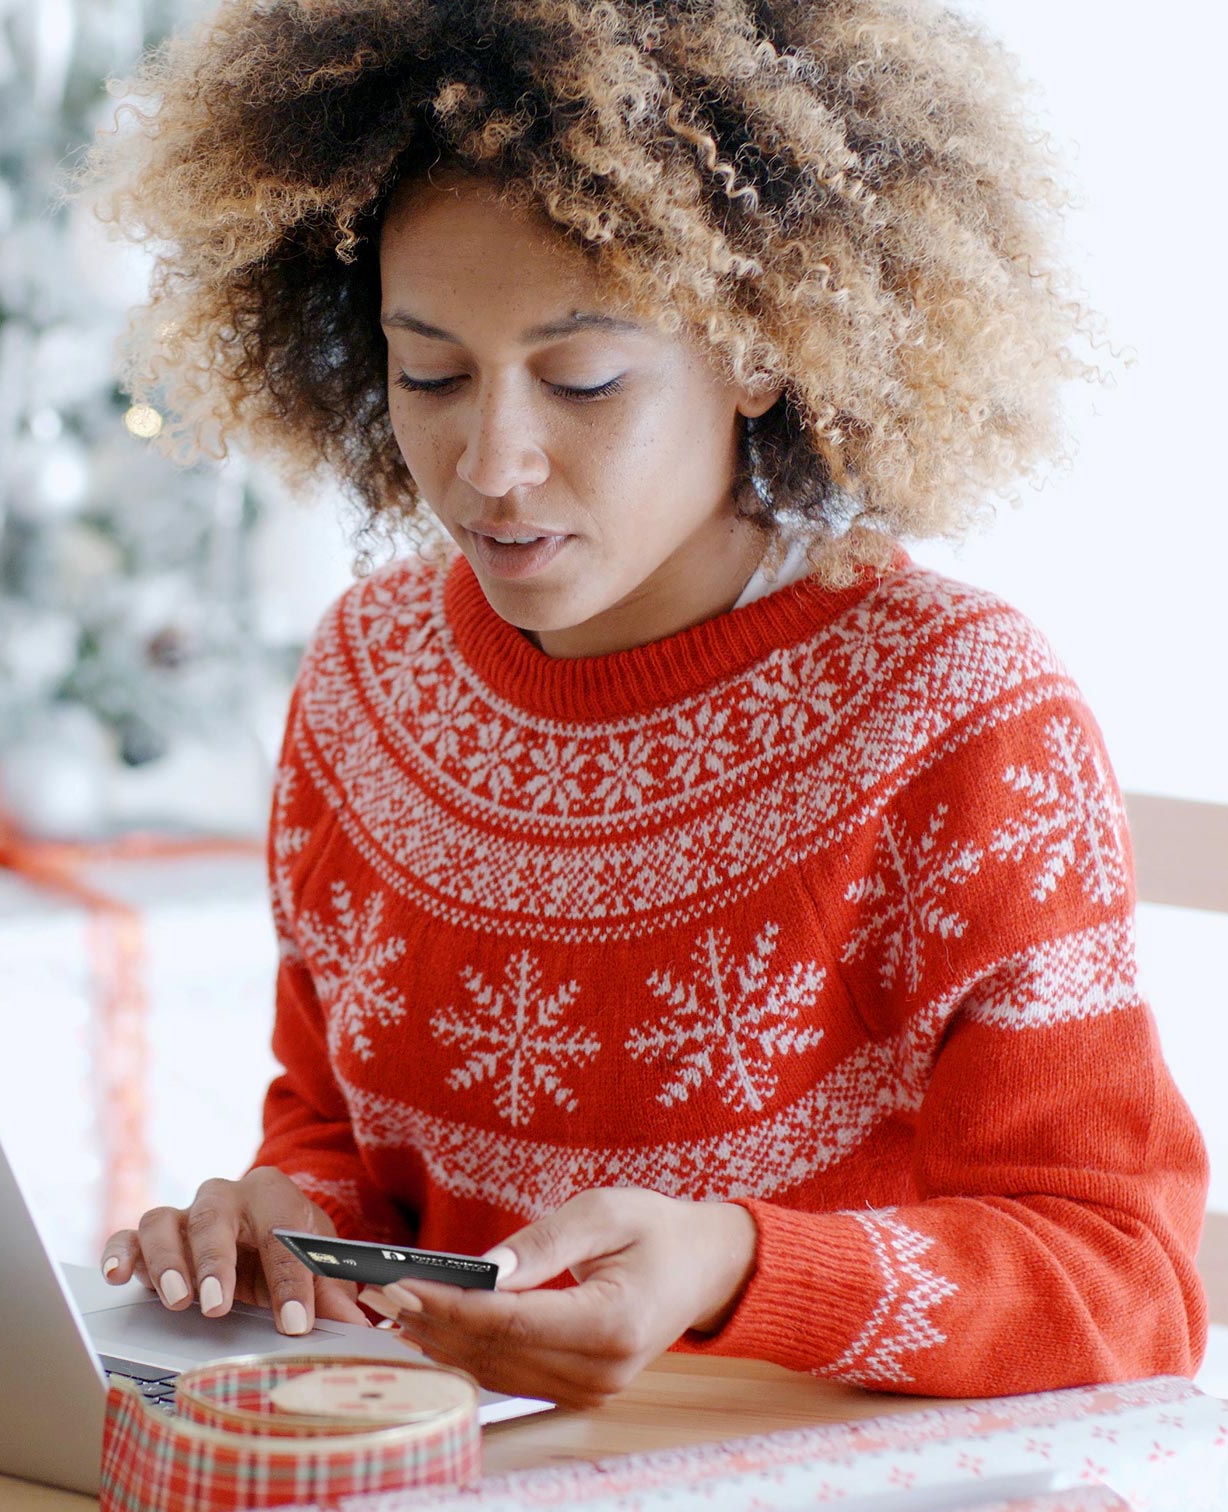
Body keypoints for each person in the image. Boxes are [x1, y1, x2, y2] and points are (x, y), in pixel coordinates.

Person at [68, 0, 1209, 1406]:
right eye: (427, 370)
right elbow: (350, 1155)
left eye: (585, 379)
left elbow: (1129, 1286)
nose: (492, 462)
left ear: (759, 347)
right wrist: (283, 1231)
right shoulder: (369, 680)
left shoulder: (960, 716)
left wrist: (737, 1266)